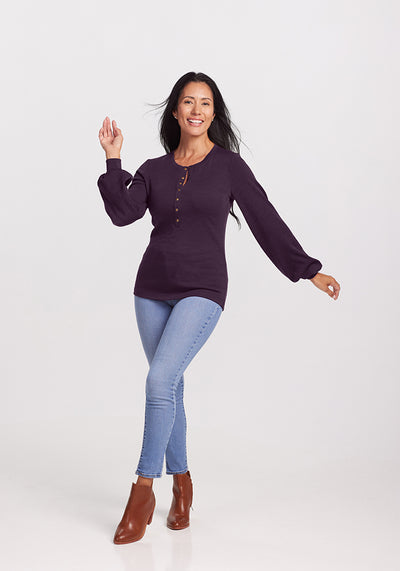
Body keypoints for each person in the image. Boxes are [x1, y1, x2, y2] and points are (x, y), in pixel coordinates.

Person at [97, 71, 341, 545]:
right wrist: (113, 159)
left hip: (203, 288)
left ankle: (142, 491)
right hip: (150, 289)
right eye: (188, 102)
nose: (196, 110)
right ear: (175, 111)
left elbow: (265, 218)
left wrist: (308, 270)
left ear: (214, 113)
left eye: (205, 103)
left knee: (158, 382)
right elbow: (123, 214)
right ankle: (183, 488)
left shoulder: (229, 167)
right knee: (170, 387)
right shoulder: (152, 169)